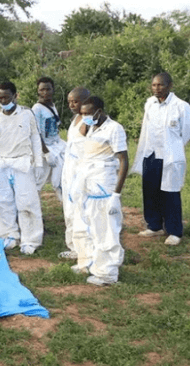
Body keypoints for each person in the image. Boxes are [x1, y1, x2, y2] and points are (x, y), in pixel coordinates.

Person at [70, 96, 129, 286]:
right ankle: (90, 262)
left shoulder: (114, 129)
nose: (84, 116)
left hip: (104, 185)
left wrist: (116, 196)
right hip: (88, 183)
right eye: (82, 113)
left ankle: (107, 274)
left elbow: (123, 161)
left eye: (88, 113)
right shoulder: (91, 127)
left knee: (106, 229)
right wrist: (87, 124)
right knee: (90, 226)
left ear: (100, 111)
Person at [131, 72, 190, 246]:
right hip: (151, 153)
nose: (156, 88)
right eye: (153, 85)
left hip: (170, 157)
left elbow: (188, 132)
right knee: (150, 191)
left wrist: (173, 147)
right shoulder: (150, 104)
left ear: (170, 86)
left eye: (160, 85)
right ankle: (154, 226)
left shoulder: (181, 106)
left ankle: (174, 231)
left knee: (170, 193)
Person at [0, 81, 44, 255]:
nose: (3, 101)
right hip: (1, 163)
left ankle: (30, 239)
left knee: (27, 201)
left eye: (7, 97)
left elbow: (35, 138)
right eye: (0, 97)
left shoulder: (27, 115)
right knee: (2, 201)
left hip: (23, 163)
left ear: (15, 96)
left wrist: (39, 163)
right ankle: (8, 235)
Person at [59, 87, 91, 260]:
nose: (72, 104)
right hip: (69, 170)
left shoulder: (90, 121)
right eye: (69, 101)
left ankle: (85, 249)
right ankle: (73, 247)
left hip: (82, 172)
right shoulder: (75, 119)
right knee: (69, 209)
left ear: (86, 101)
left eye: (76, 101)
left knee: (81, 211)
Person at [32, 77, 66, 200]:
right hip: (44, 148)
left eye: (48, 89)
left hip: (55, 145)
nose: (45, 92)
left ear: (53, 90)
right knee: (38, 182)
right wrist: (46, 152)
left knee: (63, 174)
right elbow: (35, 132)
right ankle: (33, 211)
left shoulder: (52, 105)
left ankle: (64, 200)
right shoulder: (37, 109)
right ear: (38, 91)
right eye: (42, 90)